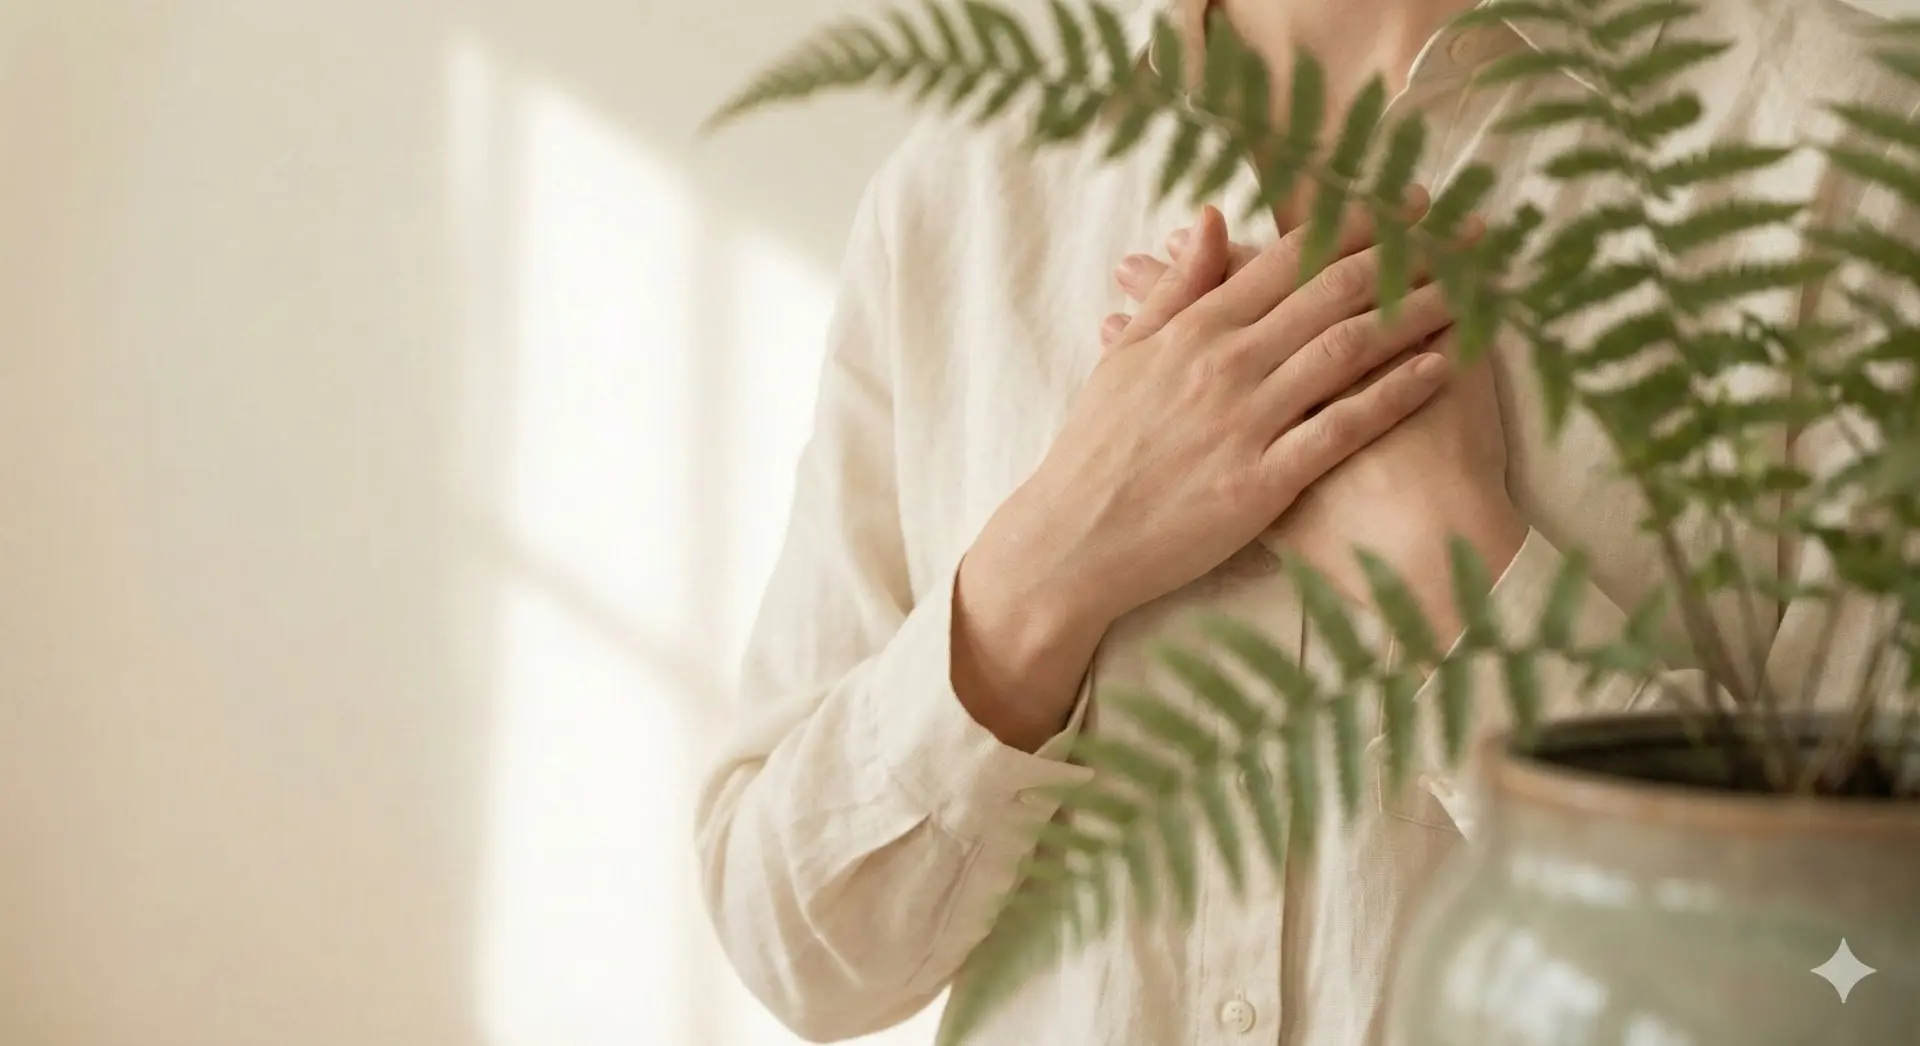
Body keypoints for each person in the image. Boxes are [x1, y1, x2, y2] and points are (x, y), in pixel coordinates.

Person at [695, 0, 1920, 1042]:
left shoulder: (1846, 152)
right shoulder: (962, 190)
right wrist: (1047, 565)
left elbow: (1862, 983)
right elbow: (802, 943)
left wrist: (1460, 580)